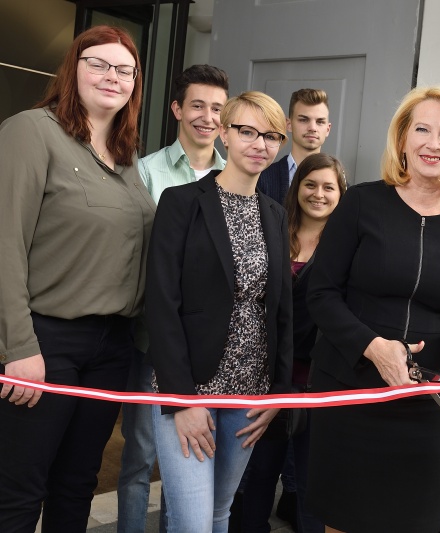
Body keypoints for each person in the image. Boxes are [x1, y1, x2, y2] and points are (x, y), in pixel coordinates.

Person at [304, 85, 440, 533]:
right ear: (402, 138)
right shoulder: (361, 203)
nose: (433, 143)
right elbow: (321, 293)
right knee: (344, 522)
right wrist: (373, 347)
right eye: (422, 129)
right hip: (351, 392)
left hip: (428, 405)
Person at [0, 26, 154, 532]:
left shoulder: (127, 156)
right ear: (73, 68)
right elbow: (5, 245)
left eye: (125, 69)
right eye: (99, 64)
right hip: (46, 340)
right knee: (20, 487)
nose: (113, 77)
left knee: (78, 481)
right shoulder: (31, 131)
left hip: (111, 347)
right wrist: (18, 345)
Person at [146, 91, 293, 532]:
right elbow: (161, 303)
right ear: (225, 135)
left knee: (217, 514)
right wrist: (181, 400)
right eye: (247, 131)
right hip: (189, 386)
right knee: (191, 522)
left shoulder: (275, 214)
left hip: (250, 393)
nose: (258, 144)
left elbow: (281, 310)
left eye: (270, 135)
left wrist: (277, 395)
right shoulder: (181, 202)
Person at [118, 63, 229, 533]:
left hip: (211, 350)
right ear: (177, 108)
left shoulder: (236, 175)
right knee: (141, 456)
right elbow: (138, 258)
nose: (207, 117)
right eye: (198, 105)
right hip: (153, 343)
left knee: (189, 461)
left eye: (218, 109)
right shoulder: (145, 172)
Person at [239, 153, 347, 533]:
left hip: (318, 383)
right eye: (310, 184)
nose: (318, 194)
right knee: (254, 481)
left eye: (328, 187)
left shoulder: (346, 243)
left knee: (311, 488)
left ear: (340, 193)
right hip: (266, 379)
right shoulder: (273, 228)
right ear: (296, 187)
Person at [257, 88, 332, 204]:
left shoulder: (339, 183)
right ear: (289, 124)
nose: (312, 127)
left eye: (320, 122)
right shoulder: (263, 178)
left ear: (328, 129)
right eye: (303, 120)